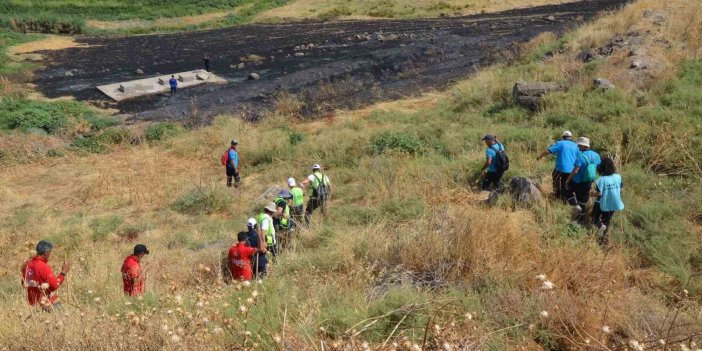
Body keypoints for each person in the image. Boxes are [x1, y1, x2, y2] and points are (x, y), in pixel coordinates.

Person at [20, 240, 70, 311]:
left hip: (32, 305)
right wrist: (63, 273)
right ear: (45, 253)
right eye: (50, 252)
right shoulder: (44, 267)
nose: (50, 254)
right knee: (63, 310)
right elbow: (54, 286)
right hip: (45, 304)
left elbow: (23, 282)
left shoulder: (27, 265)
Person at [565, 137, 601, 222]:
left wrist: (568, 180)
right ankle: (580, 220)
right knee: (583, 201)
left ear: (583, 146)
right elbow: (598, 168)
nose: (578, 147)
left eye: (579, 145)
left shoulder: (580, 156)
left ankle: (575, 205)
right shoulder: (597, 155)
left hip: (577, 181)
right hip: (588, 181)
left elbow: (576, 170)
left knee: (567, 192)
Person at [537, 131, 579, 202]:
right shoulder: (576, 146)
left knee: (556, 181)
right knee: (565, 184)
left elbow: (548, 151)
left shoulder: (560, 143)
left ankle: (557, 196)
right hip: (571, 171)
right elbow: (579, 157)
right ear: (571, 138)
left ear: (563, 137)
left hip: (559, 169)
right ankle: (564, 199)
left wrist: (539, 156)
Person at [591, 157, 624, 246]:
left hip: (603, 203)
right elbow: (621, 190)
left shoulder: (601, 179)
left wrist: (591, 194)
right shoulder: (618, 177)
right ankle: (602, 240)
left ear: (602, 167)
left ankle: (600, 226)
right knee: (607, 220)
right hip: (614, 203)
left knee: (594, 218)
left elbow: (599, 193)